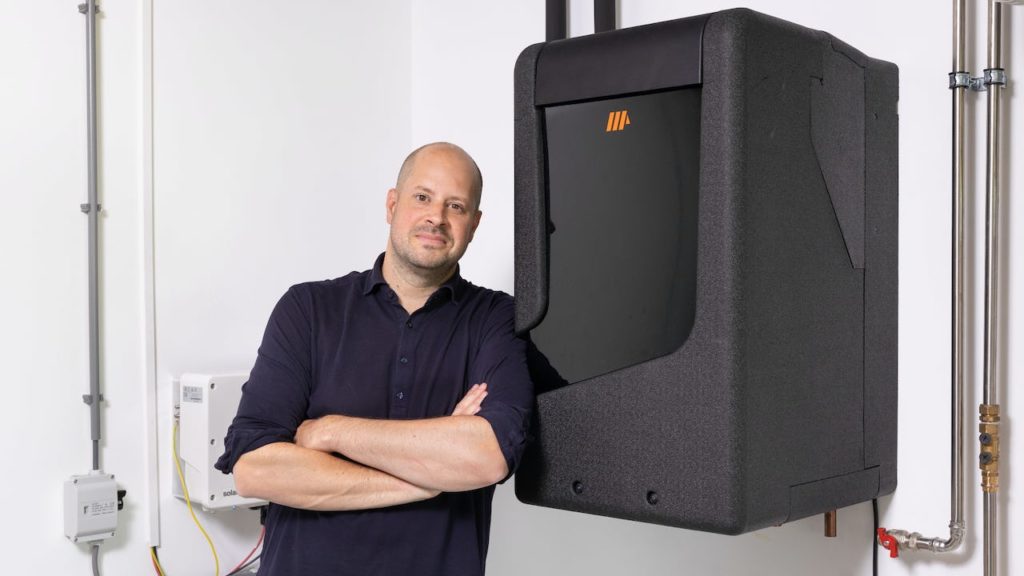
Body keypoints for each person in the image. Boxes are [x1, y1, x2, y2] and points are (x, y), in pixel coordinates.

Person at [215, 142, 534, 576]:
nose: (436, 217)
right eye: (422, 197)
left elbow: (487, 457)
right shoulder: (309, 309)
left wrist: (330, 430)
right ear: (392, 204)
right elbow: (255, 470)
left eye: (455, 206)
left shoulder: (496, 319)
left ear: (474, 224)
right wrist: (432, 479)